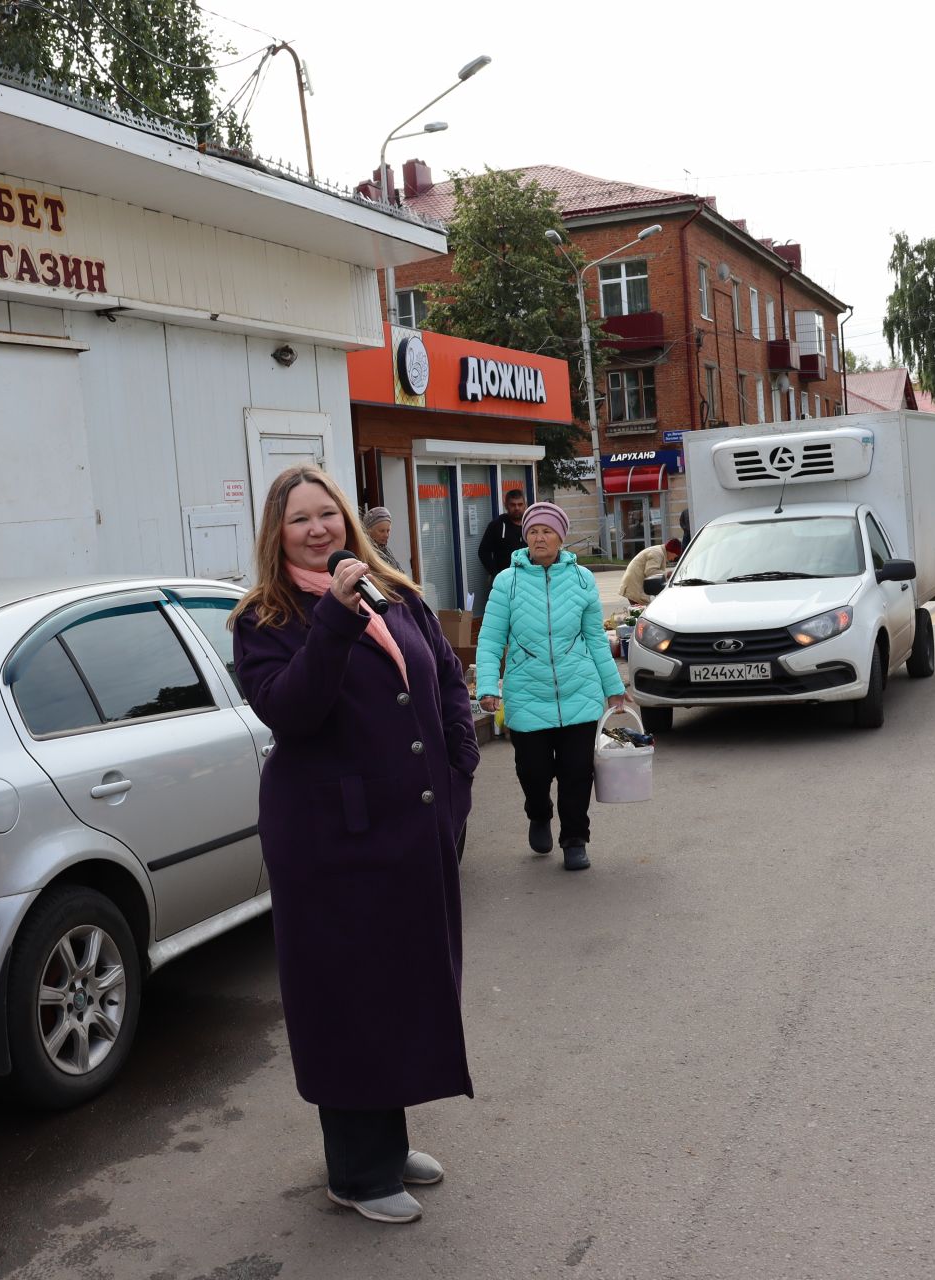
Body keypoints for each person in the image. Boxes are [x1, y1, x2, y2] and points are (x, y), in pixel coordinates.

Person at [232, 464, 478, 1226]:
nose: (318, 529)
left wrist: (460, 771)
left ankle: (385, 1142)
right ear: (278, 537)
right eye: (299, 519)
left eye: (326, 514)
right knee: (348, 999)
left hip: (412, 828)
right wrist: (334, 619)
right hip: (331, 844)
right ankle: (357, 1172)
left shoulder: (394, 593)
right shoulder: (265, 620)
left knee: (401, 988)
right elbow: (292, 711)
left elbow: (445, 681)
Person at [475, 500, 629, 872]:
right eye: (532, 531)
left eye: (546, 531)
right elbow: (491, 638)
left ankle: (575, 839)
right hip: (527, 694)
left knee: (578, 772)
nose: (539, 538)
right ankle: (539, 813)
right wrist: (486, 686)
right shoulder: (507, 582)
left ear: (561, 537)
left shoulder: (581, 580)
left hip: (580, 692)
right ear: (524, 537)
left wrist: (613, 687)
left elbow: (595, 637)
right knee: (534, 771)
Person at [474, 488, 528, 615]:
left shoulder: (531, 525)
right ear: (506, 505)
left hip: (528, 580)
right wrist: (495, 573)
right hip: (505, 582)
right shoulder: (497, 525)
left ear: (525, 505)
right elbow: (483, 551)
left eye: (520, 504)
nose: (517, 508)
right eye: (513, 505)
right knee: (504, 615)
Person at [620, 538, 684, 608]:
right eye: (675, 556)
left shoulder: (659, 551)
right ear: (671, 551)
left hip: (635, 583)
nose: (673, 559)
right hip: (635, 585)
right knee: (642, 611)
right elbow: (650, 572)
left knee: (642, 610)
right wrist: (667, 574)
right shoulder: (657, 554)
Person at [362, 506, 403, 571]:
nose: (386, 535)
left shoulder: (386, 550)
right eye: (382, 531)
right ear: (368, 531)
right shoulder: (366, 555)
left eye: (388, 531)